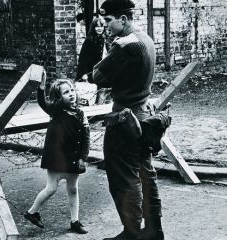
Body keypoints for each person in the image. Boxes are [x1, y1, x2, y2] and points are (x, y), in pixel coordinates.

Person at [87, 0, 165, 239]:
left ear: (124, 18)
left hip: (124, 118)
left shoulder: (123, 44)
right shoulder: (146, 39)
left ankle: (131, 233)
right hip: (144, 113)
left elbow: (96, 76)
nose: (105, 25)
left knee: (123, 177)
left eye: (109, 20)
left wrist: (98, 75)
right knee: (145, 173)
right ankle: (153, 230)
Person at [24, 73, 90, 234]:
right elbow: (42, 102)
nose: (71, 94)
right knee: (51, 188)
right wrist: (42, 87)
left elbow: (86, 137)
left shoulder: (81, 114)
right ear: (59, 97)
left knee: (73, 189)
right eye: (66, 92)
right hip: (56, 157)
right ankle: (32, 212)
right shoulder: (56, 110)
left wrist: (83, 157)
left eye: (72, 90)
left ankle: (75, 221)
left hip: (74, 157)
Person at [75, 17, 110, 104]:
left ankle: (100, 108)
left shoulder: (105, 39)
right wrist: (84, 73)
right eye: (97, 26)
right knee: (92, 93)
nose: (99, 28)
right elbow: (82, 59)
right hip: (91, 71)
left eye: (101, 26)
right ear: (93, 27)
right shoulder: (89, 41)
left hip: (103, 71)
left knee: (103, 91)